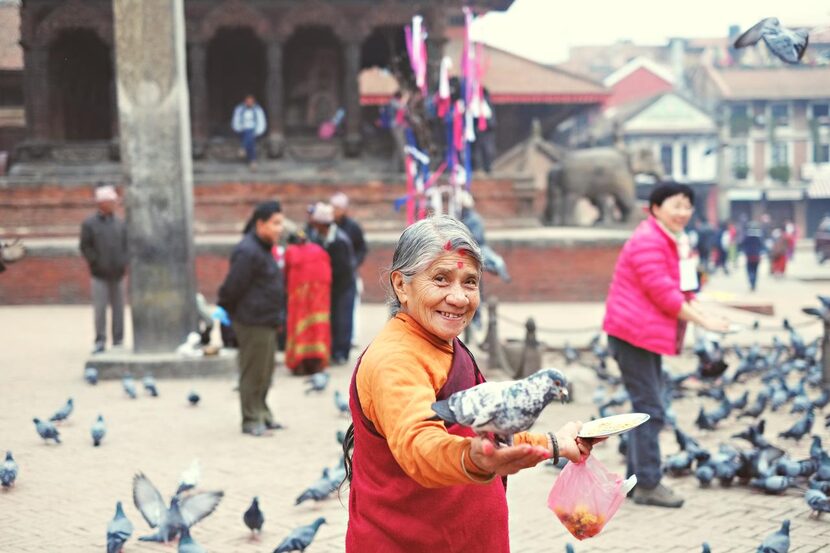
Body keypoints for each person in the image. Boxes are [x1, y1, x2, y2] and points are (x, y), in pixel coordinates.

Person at [342, 215, 594, 551]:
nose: (459, 298)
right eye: (441, 279)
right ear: (401, 285)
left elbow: (491, 434)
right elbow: (421, 445)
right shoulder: (396, 359)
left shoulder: (439, 341)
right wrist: (476, 461)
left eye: (470, 282)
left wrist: (556, 442)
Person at [603, 183, 730, 509]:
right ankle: (647, 483)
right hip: (632, 336)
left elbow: (684, 290)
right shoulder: (649, 240)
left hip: (642, 337)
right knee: (651, 409)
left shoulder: (673, 240)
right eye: (676, 205)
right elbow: (664, 294)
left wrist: (705, 313)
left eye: (688, 205)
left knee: (645, 407)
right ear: (656, 207)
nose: (683, 212)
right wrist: (704, 322)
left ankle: (636, 480)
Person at [218, 200, 285, 436]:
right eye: (275, 223)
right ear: (260, 224)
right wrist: (225, 311)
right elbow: (232, 287)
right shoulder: (248, 251)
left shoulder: (263, 249)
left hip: (266, 320)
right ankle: (250, 420)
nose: (280, 228)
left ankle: (263, 413)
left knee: (265, 372)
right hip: (252, 321)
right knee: (252, 373)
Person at [79, 185, 128, 354]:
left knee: (119, 309)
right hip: (99, 274)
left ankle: (118, 340)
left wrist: (123, 262)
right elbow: (85, 247)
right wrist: (96, 263)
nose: (115, 204)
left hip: (118, 273)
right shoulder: (89, 224)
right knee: (100, 310)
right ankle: (100, 340)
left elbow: (126, 245)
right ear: (102, 203)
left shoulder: (120, 223)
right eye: (112, 201)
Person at [308, 202, 356, 365]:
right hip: (330, 287)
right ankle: (332, 349)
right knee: (333, 320)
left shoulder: (340, 240)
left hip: (343, 286)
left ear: (322, 224)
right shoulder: (319, 237)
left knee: (343, 320)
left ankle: (341, 352)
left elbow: (343, 270)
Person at [284, 230, 332, 376]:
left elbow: (286, 275)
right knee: (319, 327)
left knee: (298, 326)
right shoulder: (319, 250)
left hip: (299, 297)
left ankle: (300, 364)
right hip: (320, 296)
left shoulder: (291, 251)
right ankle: (317, 363)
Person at [331, 192, 367, 348]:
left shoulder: (352, 227)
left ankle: (348, 341)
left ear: (344, 209)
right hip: (333, 275)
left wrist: (354, 263)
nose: (334, 211)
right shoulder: (329, 225)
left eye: (337, 208)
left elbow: (362, 248)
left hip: (349, 275)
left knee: (349, 311)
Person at [231, 94, 267, 170]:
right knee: (249, 136)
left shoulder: (258, 110)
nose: (249, 103)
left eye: (251, 101)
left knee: (250, 135)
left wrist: (258, 131)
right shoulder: (239, 109)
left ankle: (243, 148)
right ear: (245, 102)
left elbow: (261, 121)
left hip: (253, 129)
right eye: (248, 101)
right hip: (242, 129)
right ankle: (253, 161)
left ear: (253, 102)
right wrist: (237, 128)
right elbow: (236, 119)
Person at [740, 223, 764, 291]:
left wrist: (744, 251)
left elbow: (742, 244)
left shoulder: (747, 236)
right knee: (755, 270)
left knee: (750, 270)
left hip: (749, 255)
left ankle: (751, 280)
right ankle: (753, 283)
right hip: (756, 255)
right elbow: (762, 246)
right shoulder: (759, 236)